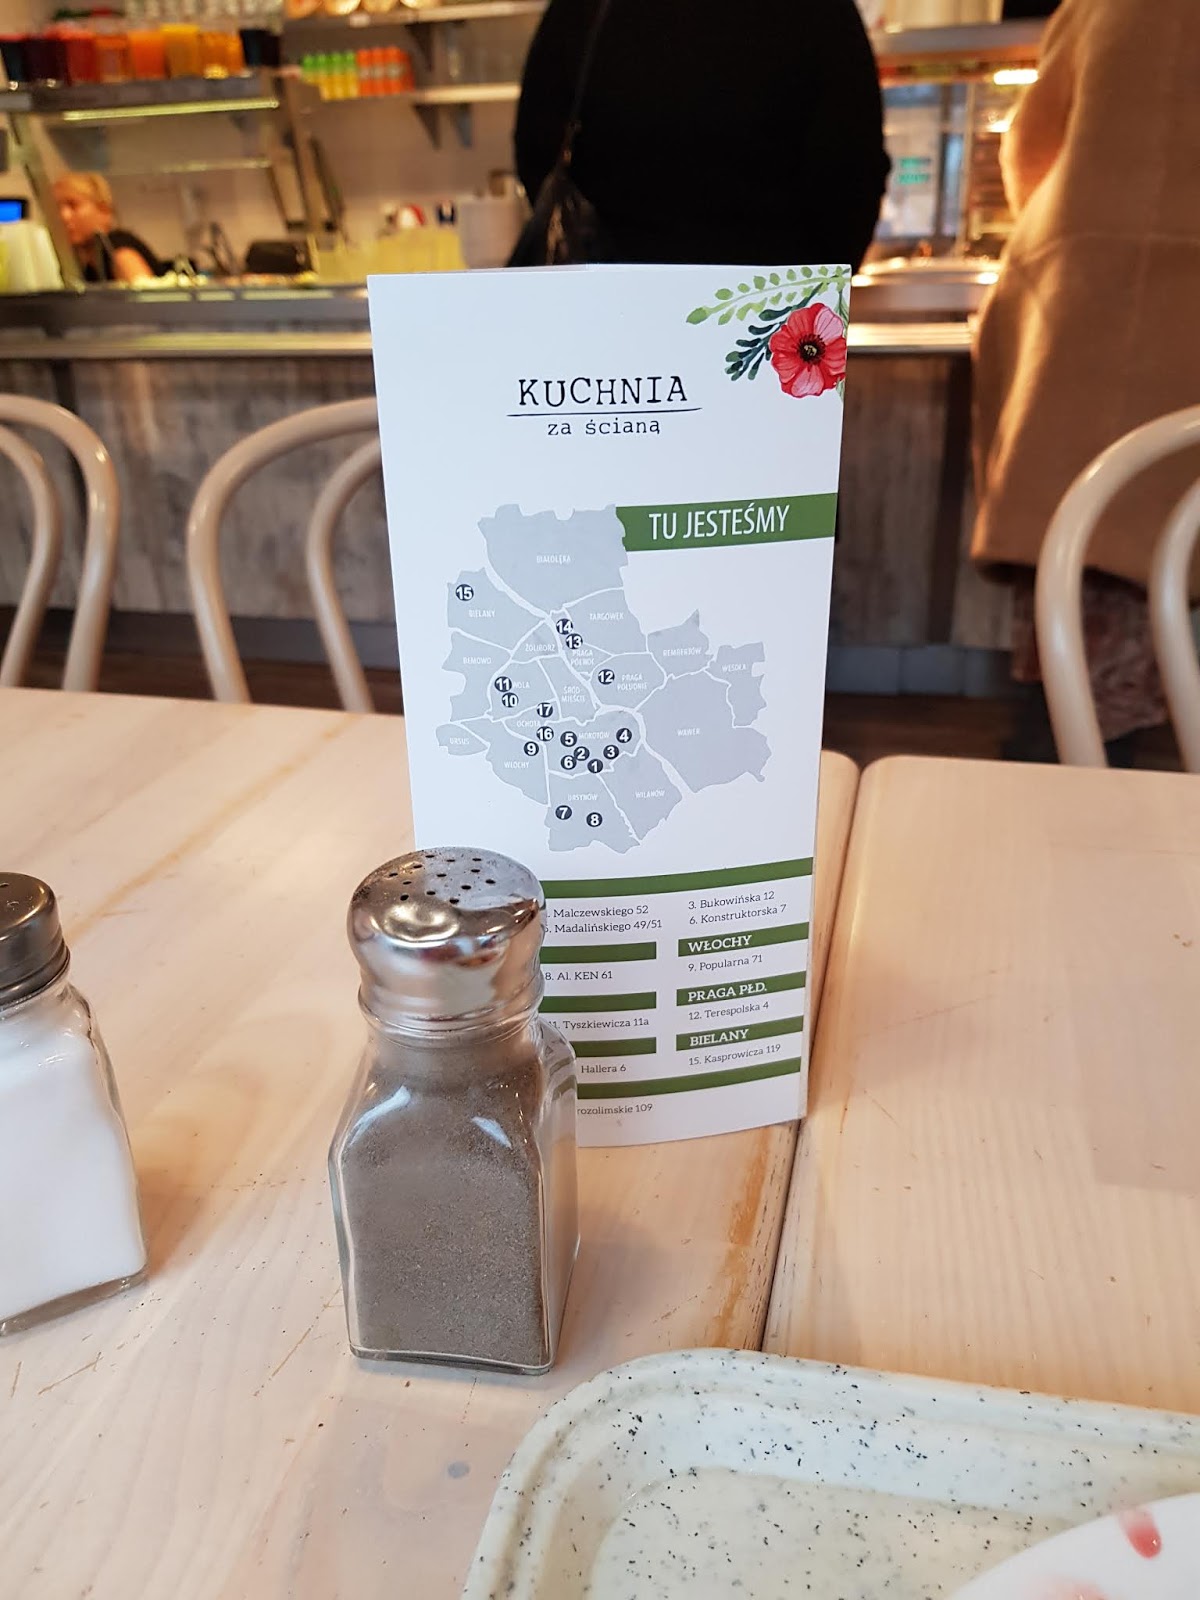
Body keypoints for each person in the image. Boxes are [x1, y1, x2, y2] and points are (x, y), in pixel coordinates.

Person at [972, 0, 1200, 759]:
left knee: (1076, 568)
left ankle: (1070, 760)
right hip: (1175, 343)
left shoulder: (1099, 6)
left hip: (1077, 313)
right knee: (1160, 557)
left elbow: (1030, 151)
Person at [513, 0, 890, 270]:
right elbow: (853, 171)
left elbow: (538, 147)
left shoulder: (588, 10)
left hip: (612, 303)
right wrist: (817, 286)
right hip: (769, 305)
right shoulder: (820, 13)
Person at [53, 173, 163, 284]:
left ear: (104, 211)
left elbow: (141, 288)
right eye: (58, 208)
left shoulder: (118, 249)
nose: (63, 216)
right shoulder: (88, 264)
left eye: (73, 205)